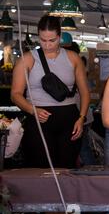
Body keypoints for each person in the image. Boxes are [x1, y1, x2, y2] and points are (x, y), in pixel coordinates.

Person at [11, 15, 90, 168]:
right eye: (43, 40)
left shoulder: (73, 58)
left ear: (59, 37)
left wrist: (82, 118)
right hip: (39, 119)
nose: (47, 45)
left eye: (52, 40)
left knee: (67, 167)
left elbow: (84, 92)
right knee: (41, 167)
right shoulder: (27, 59)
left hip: (70, 119)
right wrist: (32, 110)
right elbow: (15, 94)